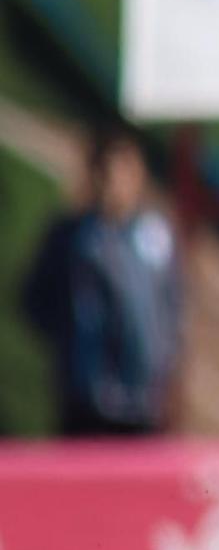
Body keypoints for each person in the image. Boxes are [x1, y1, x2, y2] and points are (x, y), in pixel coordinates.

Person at [20, 126, 181, 437]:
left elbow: (173, 306)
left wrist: (164, 360)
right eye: (107, 172)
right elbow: (34, 300)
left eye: (125, 172)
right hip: (86, 398)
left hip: (141, 401)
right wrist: (72, 340)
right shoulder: (70, 237)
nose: (115, 184)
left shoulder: (156, 238)